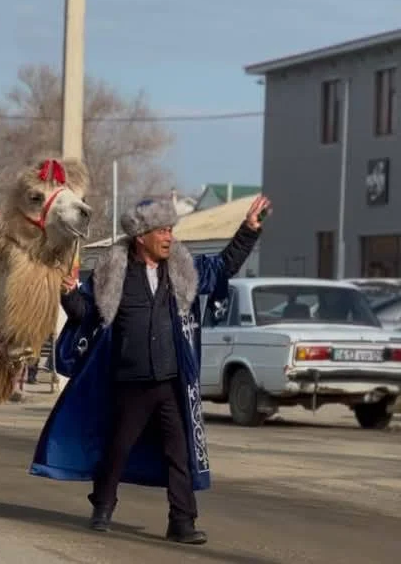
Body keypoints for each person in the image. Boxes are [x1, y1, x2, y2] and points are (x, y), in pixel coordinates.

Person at [30, 194, 270, 545]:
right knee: (118, 447)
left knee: (180, 453)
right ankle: (103, 508)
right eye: (162, 230)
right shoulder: (113, 272)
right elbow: (86, 315)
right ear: (141, 236)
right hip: (130, 381)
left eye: (171, 229)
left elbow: (223, 267)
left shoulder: (182, 269)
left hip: (173, 381)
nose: (169, 237)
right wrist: (69, 295)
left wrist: (248, 231)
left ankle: (182, 522)